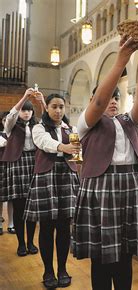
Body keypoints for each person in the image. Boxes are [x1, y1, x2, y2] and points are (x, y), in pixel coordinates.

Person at [71, 36, 138, 290]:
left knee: (125, 255)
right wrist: (121, 60)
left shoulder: (128, 121)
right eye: (108, 96)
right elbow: (98, 102)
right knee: (101, 256)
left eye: (116, 97)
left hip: (131, 185)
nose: (111, 101)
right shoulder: (87, 121)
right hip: (102, 185)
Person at [24, 94, 80, 288]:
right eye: (54, 106)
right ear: (46, 108)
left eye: (61, 107)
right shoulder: (38, 128)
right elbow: (44, 143)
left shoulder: (71, 129)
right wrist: (63, 147)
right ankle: (48, 271)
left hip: (67, 175)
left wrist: (79, 154)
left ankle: (62, 268)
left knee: (65, 227)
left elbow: (77, 155)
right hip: (46, 176)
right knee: (47, 227)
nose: (58, 110)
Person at [0, 88, 45, 256]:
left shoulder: (38, 125)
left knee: (32, 207)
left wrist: (41, 101)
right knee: (19, 207)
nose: (26, 113)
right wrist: (25, 97)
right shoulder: (12, 125)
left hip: (34, 162)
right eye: (24, 110)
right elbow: (11, 116)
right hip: (17, 164)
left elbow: (50, 118)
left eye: (29, 110)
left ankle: (31, 242)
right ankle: (20, 244)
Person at [0, 111, 15, 235]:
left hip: (11, 168)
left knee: (11, 198)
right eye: (4, 120)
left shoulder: (15, 135)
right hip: (1, 167)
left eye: (8, 120)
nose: (6, 122)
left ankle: (11, 224)